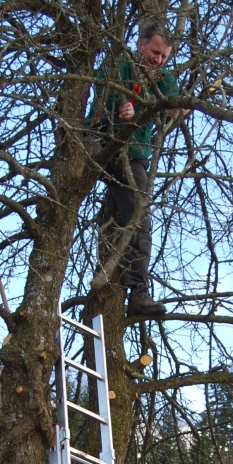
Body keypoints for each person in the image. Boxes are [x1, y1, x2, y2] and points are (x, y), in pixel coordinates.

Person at [87, 21, 187, 319]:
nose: (158, 60)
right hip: (104, 143)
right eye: (155, 52)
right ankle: (139, 291)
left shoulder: (164, 78)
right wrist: (120, 106)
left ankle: (135, 290)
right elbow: (103, 91)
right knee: (139, 216)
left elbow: (174, 103)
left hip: (135, 154)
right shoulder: (119, 65)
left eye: (164, 56)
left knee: (138, 216)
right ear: (141, 45)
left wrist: (180, 108)